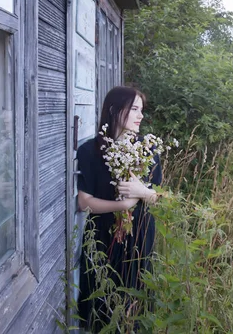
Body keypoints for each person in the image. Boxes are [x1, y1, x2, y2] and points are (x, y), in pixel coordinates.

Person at [76, 86, 162, 331]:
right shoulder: (91, 151)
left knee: (134, 306)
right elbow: (84, 202)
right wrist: (122, 205)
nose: (140, 115)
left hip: (138, 238)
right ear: (114, 110)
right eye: (134, 109)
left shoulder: (148, 149)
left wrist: (142, 192)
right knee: (101, 302)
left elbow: (159, 196)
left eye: (141, 110)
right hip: (102, 238)